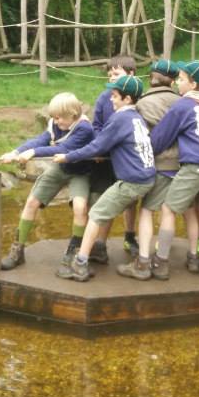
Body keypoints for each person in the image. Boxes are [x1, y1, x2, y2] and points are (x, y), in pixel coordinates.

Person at [53, 75, 155, 282]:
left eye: (115, 96)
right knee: (105, 212)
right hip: (147, 177)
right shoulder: (137, 118)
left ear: (127, 99)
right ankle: (102, 253)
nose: (111, 99)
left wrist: (67, 156)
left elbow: (97, 146)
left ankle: (80, 263)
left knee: (96, 214)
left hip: (132, 181)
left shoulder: (120, 118)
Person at [148, 60, 199, 279]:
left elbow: (160, 138)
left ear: (193, 84)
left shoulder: (183, 105)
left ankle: (161, 262)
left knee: (168, 209)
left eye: (182, 79)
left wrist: (146, 150)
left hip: (197, 165)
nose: (177, 83)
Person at [0, 92, 94, 269]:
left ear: (73, 115)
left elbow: (65, 148)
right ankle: (17, 250)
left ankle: (73, 250)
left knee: (80, 208)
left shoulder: (85, 129)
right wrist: (16, 152)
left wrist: (34, 153)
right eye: (54, 118)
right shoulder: (55, 124)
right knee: (32, 201)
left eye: (60, 118)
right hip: (61, 168)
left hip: (81, 171)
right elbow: (40, 140)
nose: (56, 122)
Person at [116, 59, 180, 280]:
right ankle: (162, 261)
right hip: (181, 165)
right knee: (169, 212)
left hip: (157, 164)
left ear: (151, 76)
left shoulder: (142, 103)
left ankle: (143, 262)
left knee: (146, 211)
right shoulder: (182, 102)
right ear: (172, 80)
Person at [89, 54, 138, 262]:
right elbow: (96, 125)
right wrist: (101, 147)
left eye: (116, 74)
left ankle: (129, 235)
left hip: (128, 158)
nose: (111, 78)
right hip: (105, 158)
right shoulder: (103, 97)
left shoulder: (137, 98)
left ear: (131, 74)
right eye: (109, 74)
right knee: (104, 198)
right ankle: (100, 244)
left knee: (130, 200)